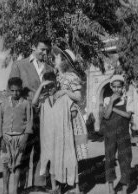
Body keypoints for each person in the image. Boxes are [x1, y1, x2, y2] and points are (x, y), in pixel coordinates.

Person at [8, 36, 53, 187]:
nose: (45, 53)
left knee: (41, 151)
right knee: (23, 152)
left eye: (47, 50)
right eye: (42, 49)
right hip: (25, 117)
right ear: (33, 47)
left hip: (45, 116)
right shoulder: (19, 65)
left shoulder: (50, 69)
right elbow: (12, 92)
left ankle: (38, 185)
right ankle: (20, 186)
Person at [51, 46, 88, 194]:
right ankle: (60, 184)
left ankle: (76, 187)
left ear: (64, 61)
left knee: (71, 151)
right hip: (59, 116)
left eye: (57, 57)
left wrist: (65, 91)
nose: (55, 59)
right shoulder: (57, 77)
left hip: (71, 117)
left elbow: (78, 97)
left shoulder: (71, 76)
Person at [0, 77, 33, 194]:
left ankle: (15, 190)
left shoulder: (26, 104)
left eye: (18, 90)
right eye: (12, 90)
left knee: (17, 166)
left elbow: (29, 122)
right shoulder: (3, 104)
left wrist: (25, 139)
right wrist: (0, 139)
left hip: (20, 139)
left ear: (21, 90)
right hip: (5, 139)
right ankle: (5, 191)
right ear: (9, 90)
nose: (15, 93)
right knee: (5, 166)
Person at [102, 74, 133, 194]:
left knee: (125, 159)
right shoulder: (106, 100)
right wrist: (111, 102)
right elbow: (106, 115)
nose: (116, 89)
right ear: (111, 86)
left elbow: (128, 115)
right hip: (110, 134)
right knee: (109, 159)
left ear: (122, 87)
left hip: (123, 134)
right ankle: (111, 189)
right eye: (114, 87)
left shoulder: (127, 98)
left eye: (119, 87)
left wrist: (114, 108)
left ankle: (125, 189)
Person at [32, 72, 58, 193]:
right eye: (47, 86)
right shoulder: (43, 97)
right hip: (44, 134)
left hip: (57, 133)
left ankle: (56, 184)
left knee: (56, 159)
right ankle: (41, 183)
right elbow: (33, 103)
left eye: (52, 86)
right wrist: (41, 86)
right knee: (44, 158)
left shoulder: (59, 97)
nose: (50, 89)